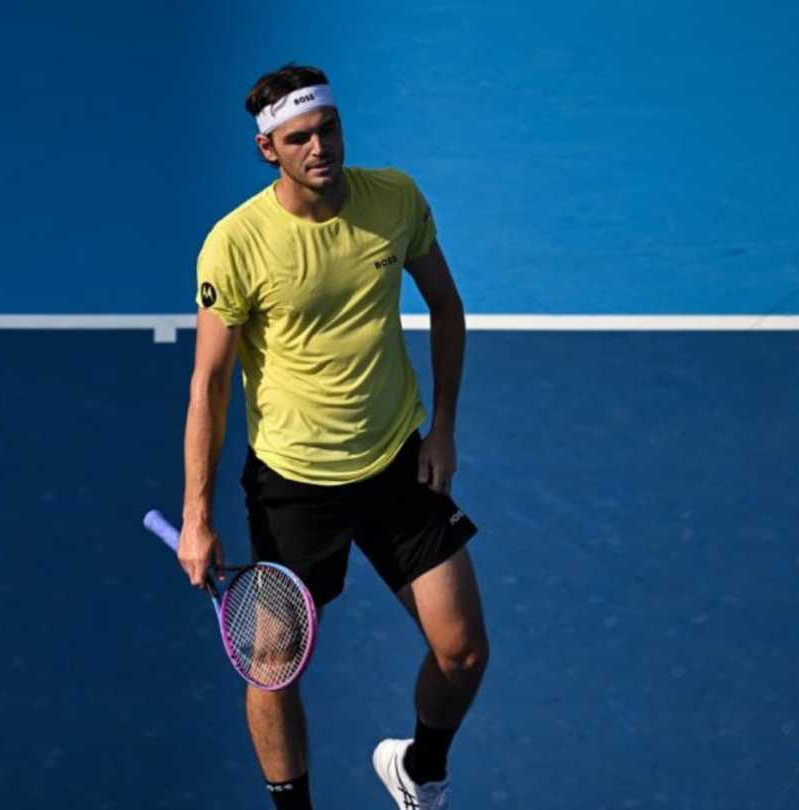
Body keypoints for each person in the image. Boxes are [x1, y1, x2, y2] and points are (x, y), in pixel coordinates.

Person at [177, 64, 490, 810]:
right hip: (294, 487)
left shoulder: (395, 199)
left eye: (328, 129)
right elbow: (209, 384)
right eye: (298, 139)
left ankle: (419, 768)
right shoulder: (236, 243)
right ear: (268, 150)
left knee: (463, 653)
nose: (319, 148)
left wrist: (442, 430)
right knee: (272, 667)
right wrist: (197, 514)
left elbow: (445, 307)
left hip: (396, 463)